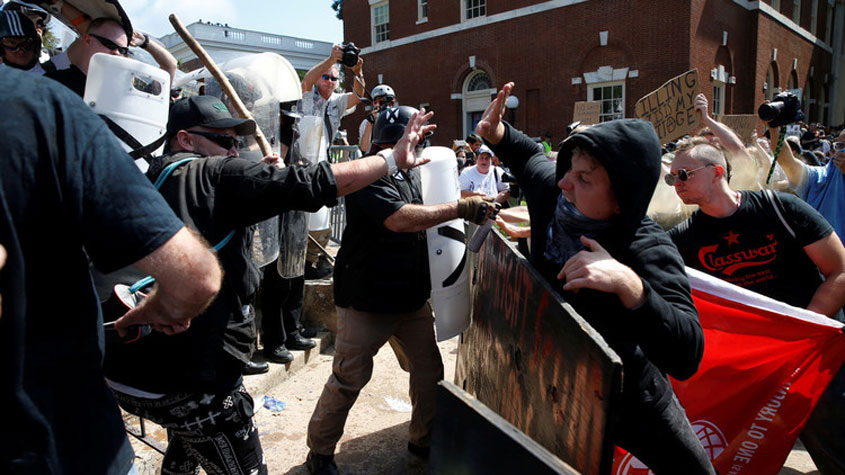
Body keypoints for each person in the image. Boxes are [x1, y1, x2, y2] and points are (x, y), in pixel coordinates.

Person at [104, 95, 436, 475]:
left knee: (187, 442)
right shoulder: (218, 174)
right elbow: (312, 182)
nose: (234, 152)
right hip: (194, 378)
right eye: (224, 141)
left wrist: (254, 182)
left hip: (127, 371)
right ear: (186, 139)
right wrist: (391, 160)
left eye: (238, 144)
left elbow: (209, 214)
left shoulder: (147, 177)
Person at [475, 82, 713, 473]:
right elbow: (529, 155)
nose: (565, 183)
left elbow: (688, 354)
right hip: (554, 379)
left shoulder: (647, 247)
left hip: (628, 393)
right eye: (569, 169)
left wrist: (630, 286)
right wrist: (497, 132)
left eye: (585, 179)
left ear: (621, 200)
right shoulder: (553, 193)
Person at [0, 67, 221, 475]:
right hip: (66, 446)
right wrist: (150, 313)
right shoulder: (38, 107)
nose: (234, 150)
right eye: (224, 140)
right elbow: (195, 275)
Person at [305, 105, 497, 474]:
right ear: (392, 141)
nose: (421, 146)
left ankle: (422, 441)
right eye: (416, 139)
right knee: (349, 379)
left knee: (428, 373)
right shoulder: (368, 173)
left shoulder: (410, 171)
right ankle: (320, 453)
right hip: (366, 301)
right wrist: (460, 209)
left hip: (409, 299)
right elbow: (399, 218)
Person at [666, 136, 845, 475]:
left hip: (814, 351)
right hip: (753, 363)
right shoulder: (682, 239)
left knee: (830, 428)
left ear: (717, 172)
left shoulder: (780, 208)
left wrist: (802, 331)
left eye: (684, 174)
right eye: (671, 177)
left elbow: (840, 270)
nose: (676, 183)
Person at [295, 44, 365, 279]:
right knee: (304, 212)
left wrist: (358, 72)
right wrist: (331, 60)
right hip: (301, 162)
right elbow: (307, 81)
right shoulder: (307, 96)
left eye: (334, 78)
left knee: (322, 211)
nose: (330, 81)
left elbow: (358, 96)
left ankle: (315, 258)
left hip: (323, 161)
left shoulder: (337, 101)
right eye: (326, 77)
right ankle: (302, 261)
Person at [45, 17, 177, 96]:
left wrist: (145, 42)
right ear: (88, 40)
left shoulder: (128, 92)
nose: (117, 53)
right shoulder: (53, 84)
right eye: (109, 45)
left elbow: (170, 66)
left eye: (122, 50)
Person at [776, 127, 845, 242]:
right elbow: (788, 163)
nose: (843, 151)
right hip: (820, 249)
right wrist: (774, 130)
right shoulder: (822, 177)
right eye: (840, 145)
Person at [358, 83, 396, 153]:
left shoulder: (396, 119)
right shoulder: (366, 123)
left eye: (390, 103)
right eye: (381, 102)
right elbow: (364, 148)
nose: (387, 106)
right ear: (374, 103)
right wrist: (371, 122)